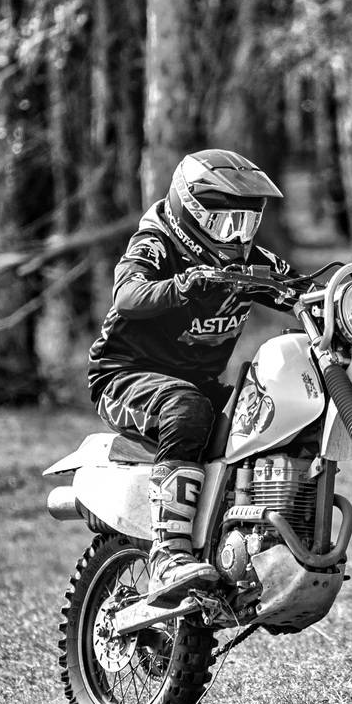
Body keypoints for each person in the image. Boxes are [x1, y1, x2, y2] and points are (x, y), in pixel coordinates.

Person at [88, 148, 290, 604]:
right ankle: (167, 554)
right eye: (224, 223)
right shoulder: (156, 243)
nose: (236, 236)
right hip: (125, 377)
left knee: (265, 411)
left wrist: (350, 299)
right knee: (187, 407)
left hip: (198, 384)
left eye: (246, 224)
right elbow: (127, 295)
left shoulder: (248, 261)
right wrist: (183, 285)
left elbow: (299, 287)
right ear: (191, 215)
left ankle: (251, 540)